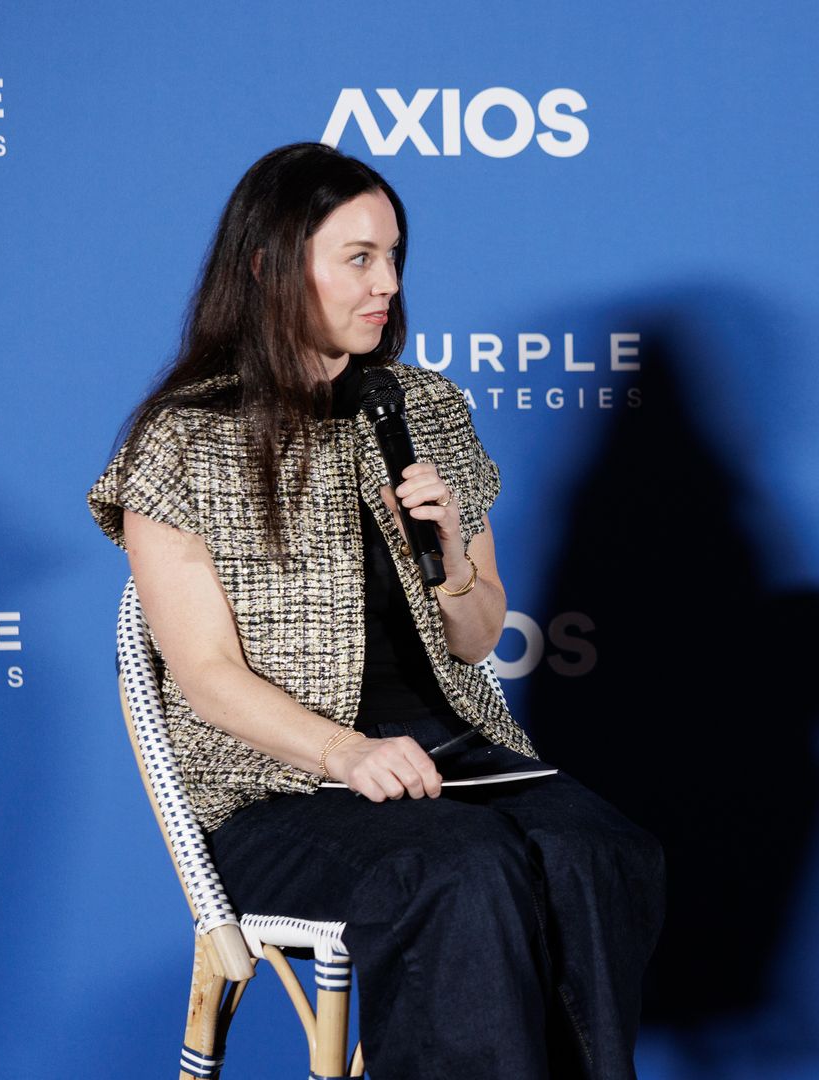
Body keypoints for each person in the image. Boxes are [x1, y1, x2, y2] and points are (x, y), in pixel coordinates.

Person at [88, 143, 662, 1080]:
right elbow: (203, 674)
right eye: (359, 257)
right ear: (272, 266)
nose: (387, 283)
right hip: (276, 788)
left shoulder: (426, 406)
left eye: (395, 256)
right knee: (463, 874)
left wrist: (450, 557)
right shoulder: (184, 439)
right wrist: (345, 752)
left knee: (598, 853)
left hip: (454, 756)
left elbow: (477, 639)